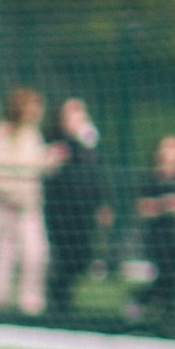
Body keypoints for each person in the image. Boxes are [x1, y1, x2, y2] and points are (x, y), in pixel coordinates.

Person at [0, 82, 49, 317]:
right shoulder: (1, 133)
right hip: (3, 206)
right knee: (4, 255)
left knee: (35, 254)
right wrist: (10, 194)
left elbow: (36, 165)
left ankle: (30, 306)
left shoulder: (33, 135)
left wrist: (50, 159)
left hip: (28, 207)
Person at [42, 97, 110, 322]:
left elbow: (95, 177)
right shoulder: (57, 143)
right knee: (62, 257)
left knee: (81, 258)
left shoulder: (88, 146)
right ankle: (57, 302)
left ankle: (61, 297)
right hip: (61, 211)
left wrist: (101, 204)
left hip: (84, 213)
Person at [137, 133, 175, 328]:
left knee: (170, 274)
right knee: (167, 272)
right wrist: (166, 205)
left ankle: (144, 301)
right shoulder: (153, 179)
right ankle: (170, 312)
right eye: (169, 147)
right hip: (157, 237)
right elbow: (143, 208)